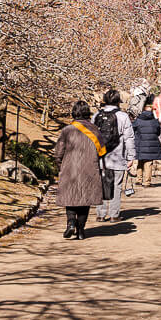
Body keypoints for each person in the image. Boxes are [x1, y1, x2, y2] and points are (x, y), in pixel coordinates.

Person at [53, 101, 103, 240]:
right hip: (90, 169)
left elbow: (59, 152)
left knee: (71, 198)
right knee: (84, 200)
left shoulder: (67, 130)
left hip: (70, 168)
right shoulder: (94, 130)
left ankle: (71, 223)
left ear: (74, 112)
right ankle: (81, 230)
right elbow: (102, 151)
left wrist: (60, 166)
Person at [93, 87, 136, 221]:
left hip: (100, 159)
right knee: (116, 186)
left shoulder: (96, 115)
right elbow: (129, 139)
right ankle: (114, 214)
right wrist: (131, 157)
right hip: (118, 158)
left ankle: (100, 214)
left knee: (101, 185)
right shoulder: (123, 116)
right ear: (118, 101)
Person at [132, 95, 161, 187]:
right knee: (148, 163)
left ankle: (138, 179)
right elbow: (158, 132)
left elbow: (133, 130)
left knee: (140, 161)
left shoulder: (138, 120)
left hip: (140, 143)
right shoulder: (155, 121)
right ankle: (147, 182)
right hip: (151, 144)